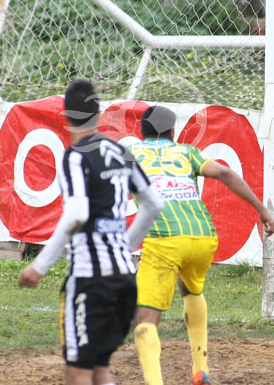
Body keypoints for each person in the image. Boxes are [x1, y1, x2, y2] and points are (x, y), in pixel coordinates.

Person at [18, 80, 164, 385]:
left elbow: (76, 214)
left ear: (65, 117)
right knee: (99, 370)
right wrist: (124, 245)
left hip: (90, 280)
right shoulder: (121, 152)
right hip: (125, 279)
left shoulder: (75, 155)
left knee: (78, 373)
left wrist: (39, 266)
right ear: (98, 115)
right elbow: (153, 203)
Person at [130, 105, 274, 385]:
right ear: (172, 132)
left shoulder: (129, 154)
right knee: (190, 289)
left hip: (165, 238)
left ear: (142, 131)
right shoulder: (185, 151)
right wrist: (262, 211)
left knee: (145, 318)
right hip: (203, 235)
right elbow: (225, 173)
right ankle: (200, 370)